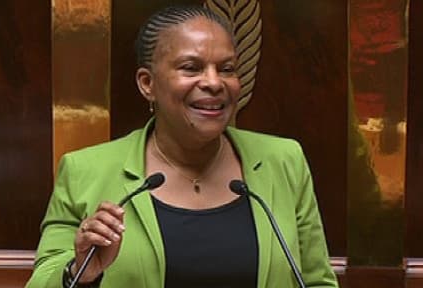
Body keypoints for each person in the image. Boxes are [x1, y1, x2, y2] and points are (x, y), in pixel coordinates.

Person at [26, 5, 338, 288]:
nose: (214, 82)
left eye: (227, 69)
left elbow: (317, 281)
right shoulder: (86, 170)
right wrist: (79, 272)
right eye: (191, 68)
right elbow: (43, 280)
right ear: (148, 83)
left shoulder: (283, 161)